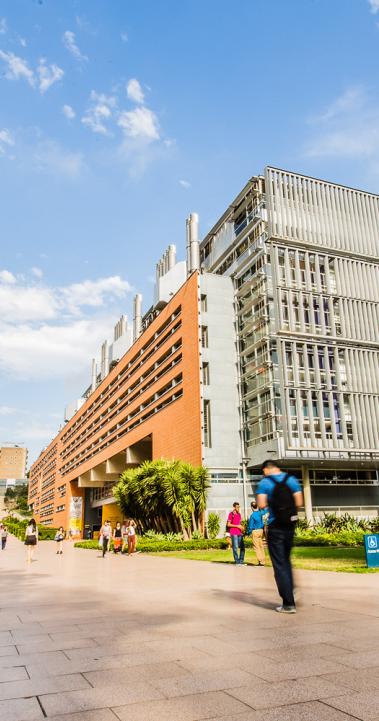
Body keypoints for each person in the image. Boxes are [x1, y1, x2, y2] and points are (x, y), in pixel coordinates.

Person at [257, 460, 303, 613]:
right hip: (289, 525)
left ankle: (288, 604)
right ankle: (291, 588)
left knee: (279, 563)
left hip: (275, 525)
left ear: (266, 469)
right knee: (286, 560)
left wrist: (274, 504)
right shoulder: (292, 480)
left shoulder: (265, 483)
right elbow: (299, 502)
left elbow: (261, 504)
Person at [247, 500, 266, 566]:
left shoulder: (252, 516)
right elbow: (266, 511)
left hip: (255, 531)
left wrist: (248, 532)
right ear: (257, 506)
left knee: (256, 547)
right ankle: (263, 560)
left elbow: (250, 526)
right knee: (261, 546)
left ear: (252, 507)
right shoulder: (260, 513)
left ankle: (260, 561)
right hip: (261, 531)